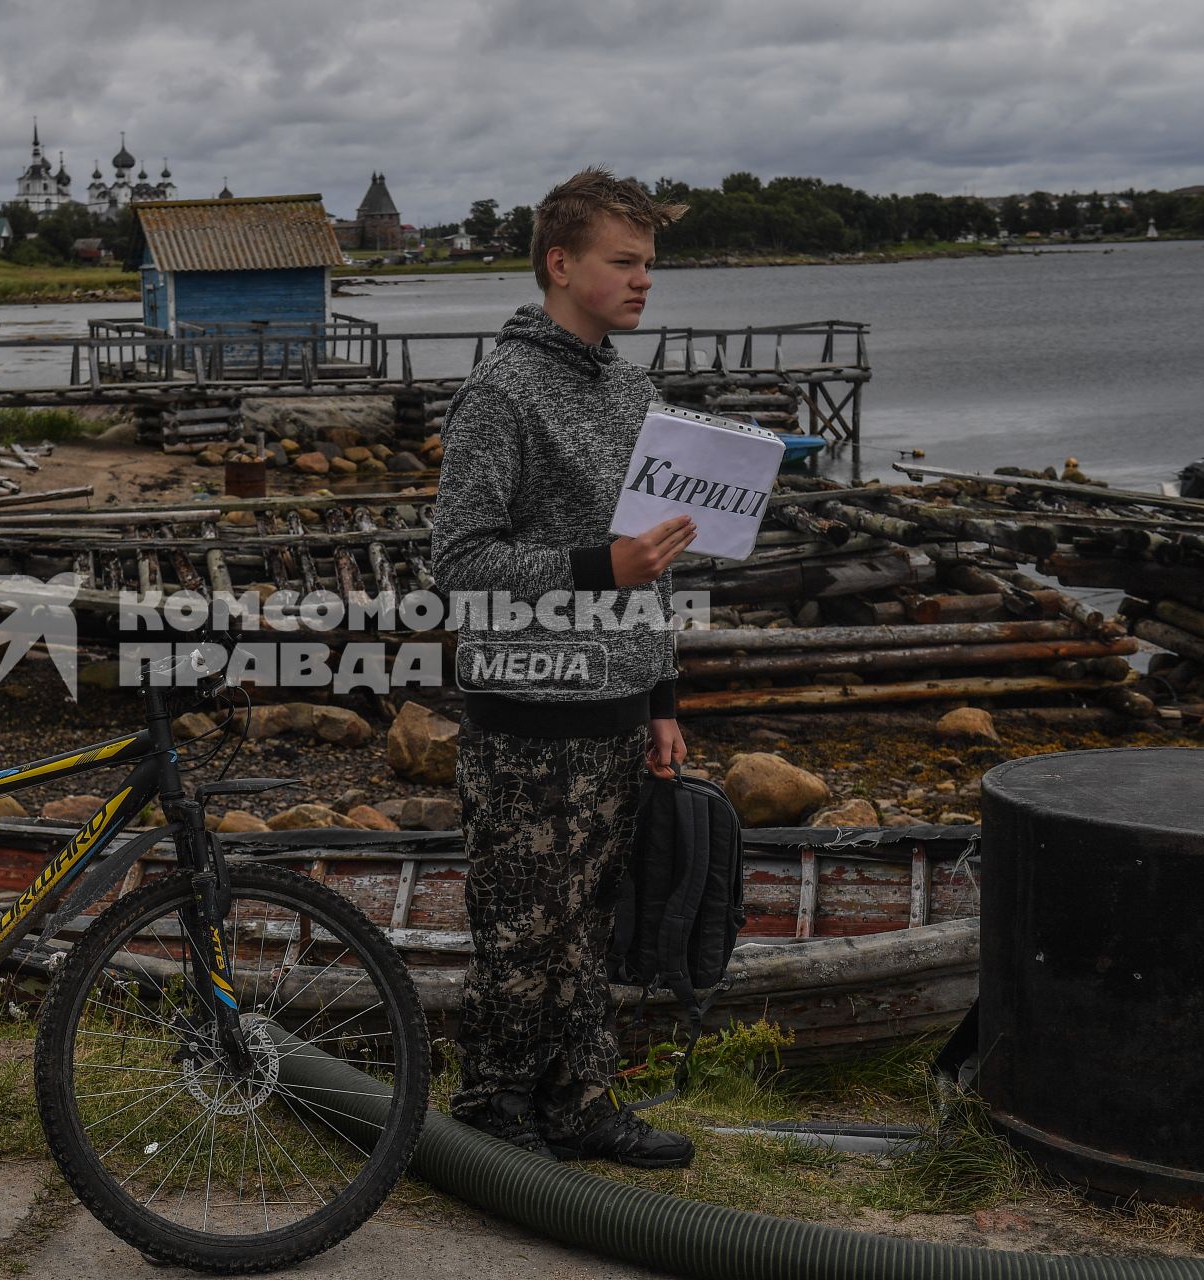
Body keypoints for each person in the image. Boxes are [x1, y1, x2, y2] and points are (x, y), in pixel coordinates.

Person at [429, 166, 699, 1167]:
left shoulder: (634, 390)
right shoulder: (500, 394)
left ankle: (582, 1103)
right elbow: (458, 564)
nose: (643, 282)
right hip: (526, 717)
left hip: (619, 711)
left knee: (590, 929)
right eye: (623, 262)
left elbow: (654, 561)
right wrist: (599, 565)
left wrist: (662, 694)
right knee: (520, 936)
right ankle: (493, 1118)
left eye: (648, 264)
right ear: (559, 264)